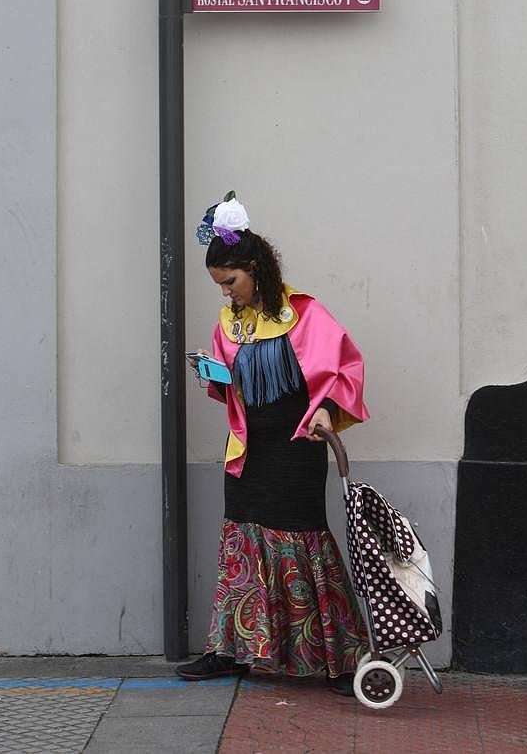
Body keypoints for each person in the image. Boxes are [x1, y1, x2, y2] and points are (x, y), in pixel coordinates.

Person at [176, 193, 370, 695]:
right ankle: (230, 650)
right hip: (247, 449)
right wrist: (213, 375)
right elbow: (233, 391)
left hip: (296, 446)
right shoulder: (229, 324)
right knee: (241, 541)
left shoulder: (305, 313)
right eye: (220, 287)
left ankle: (341, 660)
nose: (227, 295)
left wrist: (326, 408)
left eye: (231, 283)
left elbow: (346, 369)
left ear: (256, 269)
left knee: (303, 538)